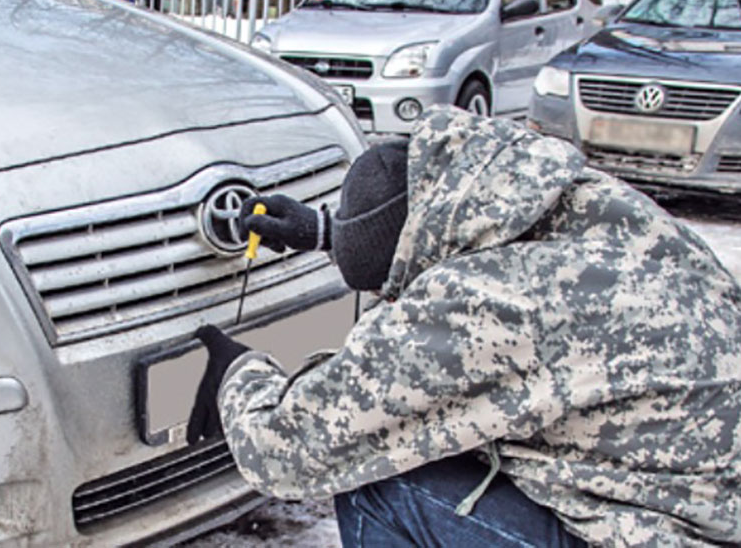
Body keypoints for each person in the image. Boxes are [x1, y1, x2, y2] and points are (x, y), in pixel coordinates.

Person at [186, 105, 741, 547]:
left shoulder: (481, 307)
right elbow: (446, 234)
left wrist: (238, 370)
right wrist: (329, 232)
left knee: (378, 479)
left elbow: (288, 450)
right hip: (708, 506)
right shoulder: (598, 206)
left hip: (667, 531)